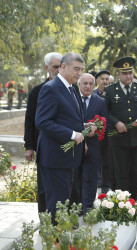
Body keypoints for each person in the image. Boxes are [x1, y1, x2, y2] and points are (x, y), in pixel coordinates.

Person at [35, 52, 95, 224]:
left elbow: (67, 118)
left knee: (64, 202)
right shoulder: (51, 88)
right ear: (63, 66)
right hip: (54, 157)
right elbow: (42, 122)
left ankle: (58, 237)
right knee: (57, 203)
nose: (79, 73)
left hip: (68, 157)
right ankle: (54, 240)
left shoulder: (72, 88)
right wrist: (71, 134)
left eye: (81, 69)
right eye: (76, 69)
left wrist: (82, 128)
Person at [104, 57, 137, 200]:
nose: (128, 76)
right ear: (118, 74)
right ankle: (122, 203)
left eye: (130, 73)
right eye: (124, 73)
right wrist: (116, 123)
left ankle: (133, 199)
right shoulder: (111, 90)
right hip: (119, 140)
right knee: (121, 173)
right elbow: (105, 113)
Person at [24, 52, 62, 213]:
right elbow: (30, 120)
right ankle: (45, 221)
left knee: (67, 185)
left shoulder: (72, 89)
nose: (59, 70)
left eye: (62, 66)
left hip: (67, 145)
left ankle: (64, 220)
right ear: (46, 68)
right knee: (44, 186)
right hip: (44, 146)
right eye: (55, 67)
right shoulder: (37, 91)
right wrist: (29, 146)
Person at [77, 73, 109, 213]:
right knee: (76, 178)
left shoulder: (100, 101)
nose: (88, 86)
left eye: (91, 84)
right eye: (85, 83)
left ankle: (88, 208)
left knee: (91, 178)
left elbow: (106, 124)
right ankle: (77, 206)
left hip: (93, 146)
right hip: (75, 144)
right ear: (79, 84)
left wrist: (96, 129)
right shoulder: (73, 99)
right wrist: (82, 128)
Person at [93, 70, 115, 193]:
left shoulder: (112, 95)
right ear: (97, 80)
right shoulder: (92, 93)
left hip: (109, 132)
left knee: (107, 159)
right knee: (95, 158)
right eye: (103, 79)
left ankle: (106, 184)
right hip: (94, 132)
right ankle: (96, 180)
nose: (105, 81)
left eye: (107, 79)